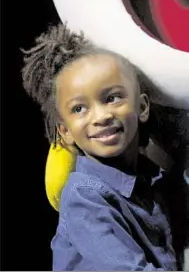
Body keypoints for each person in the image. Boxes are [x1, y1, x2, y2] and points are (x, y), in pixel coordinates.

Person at [21, 24, 178, 271]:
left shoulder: (150, 178)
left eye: (112, 98)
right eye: (79, 109)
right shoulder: (84, 197)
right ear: (65, 131)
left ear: (143, 107)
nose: (101, 116)